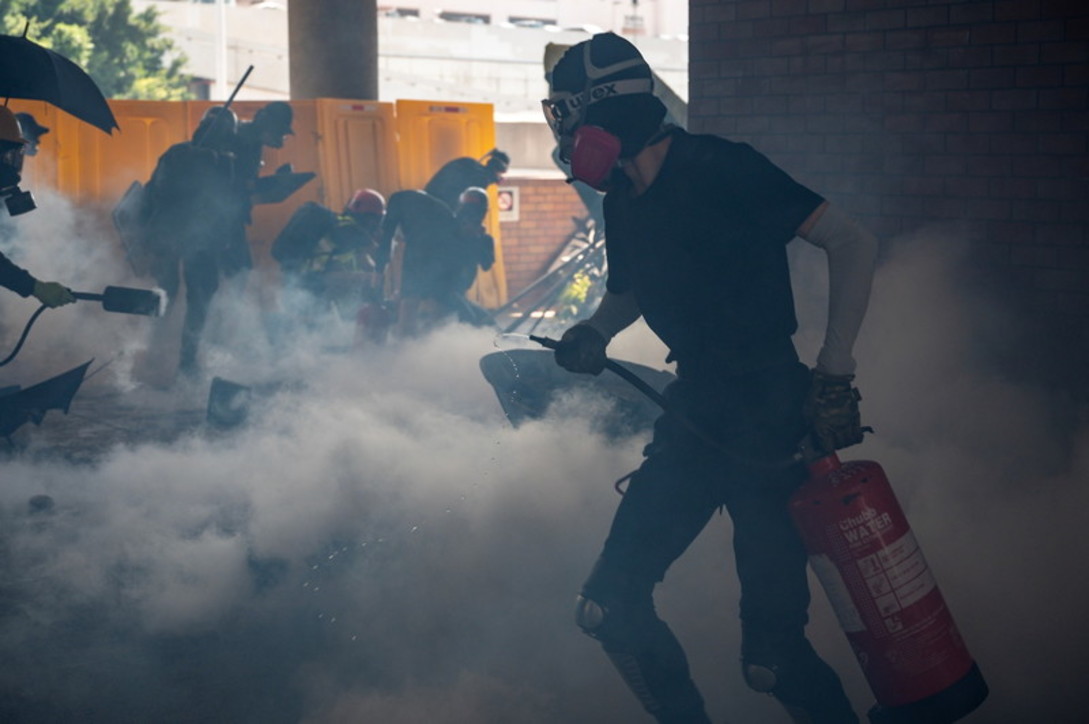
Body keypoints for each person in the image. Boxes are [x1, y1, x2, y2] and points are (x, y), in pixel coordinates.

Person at [544, 33, 879, 723]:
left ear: (604, 112)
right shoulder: (623, 200)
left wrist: (834, 371)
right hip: (694, 411)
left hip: (773, 419)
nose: (564, 135)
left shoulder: (725, 168)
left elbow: (851, 241)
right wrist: (594, 331)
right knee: (606, 606)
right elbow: (634, 288)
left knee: (770, 661)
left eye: (566, 116)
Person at [142, 106, 239, 377]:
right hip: (183, 235)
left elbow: (153, 192)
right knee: (173, 296)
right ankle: (164, 355)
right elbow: (159, 191)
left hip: (187, 236)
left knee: (188, 296)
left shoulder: (189, 155)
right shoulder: (190, 156)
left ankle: (178, 358)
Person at [271, 188, 386, 315]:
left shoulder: (339, 226)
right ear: (371, 219)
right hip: (312, 287)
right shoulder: (349, 229)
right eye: (377, 220)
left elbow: (363, 264)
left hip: (304, 288)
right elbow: (333, 275)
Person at [423, 147, 509, 210]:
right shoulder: (482, 179)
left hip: (427, 202)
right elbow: (470, 210)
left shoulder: (468, 162)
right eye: (500, 173)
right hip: (440, 209)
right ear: (497, 168)